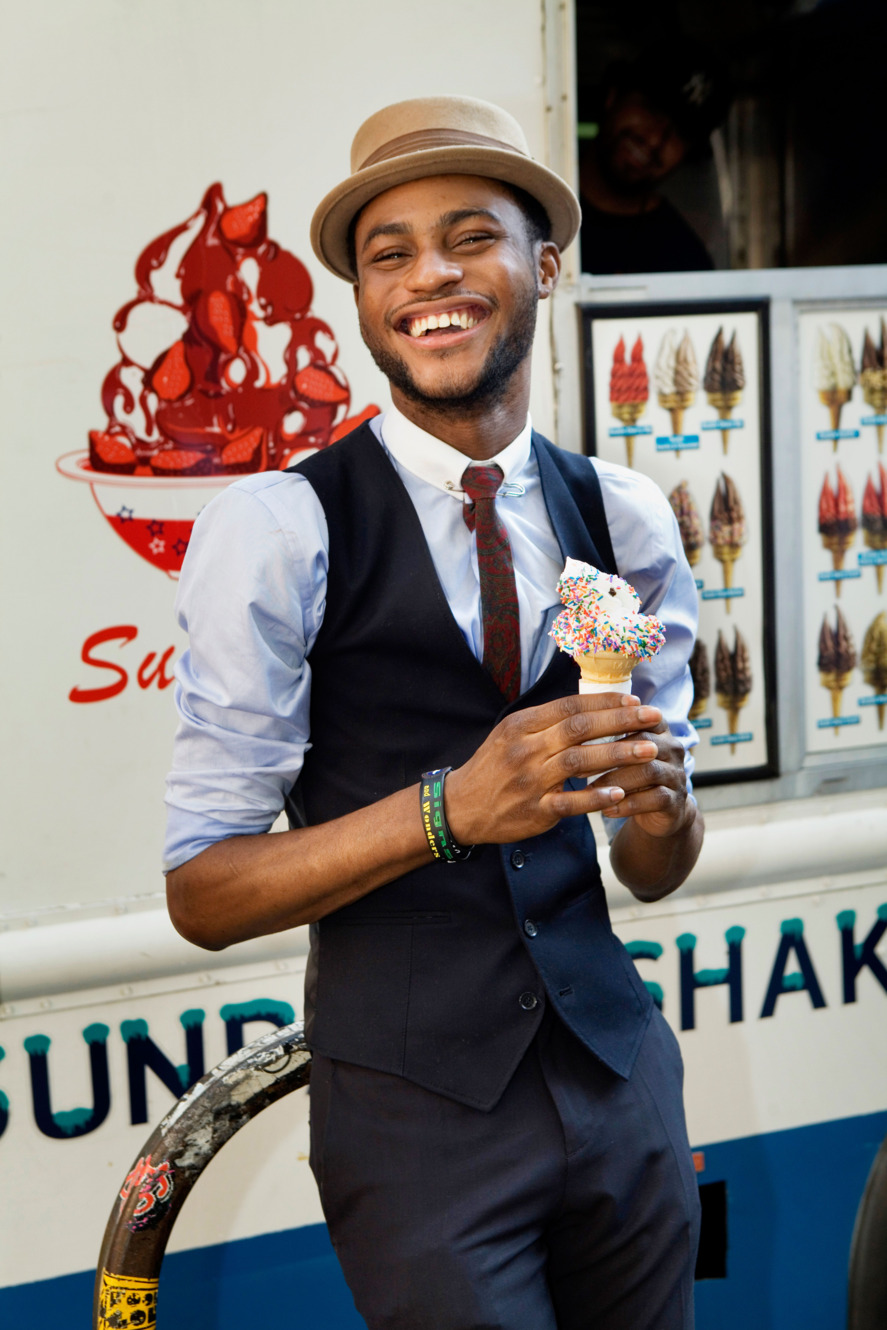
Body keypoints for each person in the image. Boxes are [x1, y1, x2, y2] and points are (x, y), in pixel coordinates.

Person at [164, 95, 704, 1329]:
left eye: (471, 236)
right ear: (361, 299)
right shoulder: (282, 530)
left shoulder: (615, 520)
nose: (430, 276)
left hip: (620, 1086)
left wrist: (665, 813)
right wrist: (449, 810)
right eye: (388, 252)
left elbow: (651, 865)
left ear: (543, 266)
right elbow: (203, 890)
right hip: (417, 1130)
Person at [579, 51, 728, 275]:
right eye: (651, 109)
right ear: (613, 96)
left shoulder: (683, 260)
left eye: (681, 132)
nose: (656, 139)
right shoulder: (530, 207)